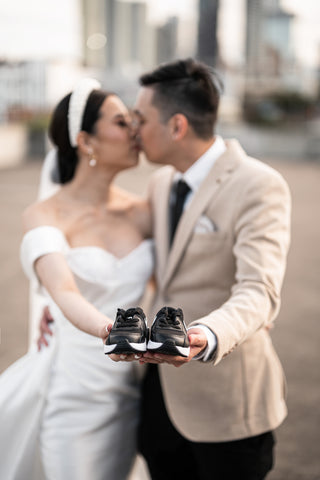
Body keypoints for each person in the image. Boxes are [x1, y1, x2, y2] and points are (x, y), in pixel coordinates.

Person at [118, 58, 291, 479]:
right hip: (159, 399)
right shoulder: (161, 183)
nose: (134, 129)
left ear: (177, 126)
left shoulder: (258, 184)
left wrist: (209, 334)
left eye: (140, 118)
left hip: (227, 404)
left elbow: (259, 290)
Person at [0, 78, 153, 480]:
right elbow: (64, 292)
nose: (134, 131)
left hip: (133, 390)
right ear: (86, 141)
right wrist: (110, 331)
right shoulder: (43, 215)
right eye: (122, 123)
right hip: (76, 390)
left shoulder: (145, 212)